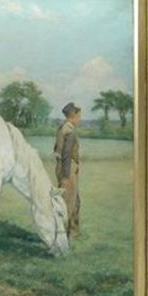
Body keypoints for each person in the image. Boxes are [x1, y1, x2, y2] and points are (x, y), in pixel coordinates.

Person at [54, 102, 81, 238]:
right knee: (68, 202)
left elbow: (57, 151)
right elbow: (66, 154)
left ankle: (73, 231)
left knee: (74, 200)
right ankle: (63, 233)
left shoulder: (62, 128)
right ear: (73, 115)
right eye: (78, 115)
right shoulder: (69, 130)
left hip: (65, 167)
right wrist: (65, 176)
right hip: (68, 168)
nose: (80, 118)